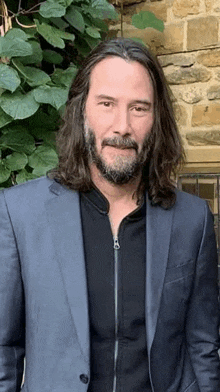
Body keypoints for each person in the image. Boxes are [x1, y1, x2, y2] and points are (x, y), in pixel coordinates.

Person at [0, 38, 219, 392]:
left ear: (157, 118)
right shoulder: (19, 214)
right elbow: (4, 350)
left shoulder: (192, 220)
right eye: (106, 104)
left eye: (139, 108)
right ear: (81, 110)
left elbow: (203, 346)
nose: (122, 127)